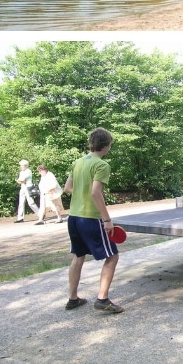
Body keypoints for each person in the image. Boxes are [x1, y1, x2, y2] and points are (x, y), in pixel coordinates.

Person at [64, 127, 123, 313]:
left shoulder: (78, 162)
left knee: (78, 256)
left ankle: (73, 299)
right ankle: (102, 299)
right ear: (106, 146)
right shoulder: (101, 165)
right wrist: (107, 220)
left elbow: (67, 188)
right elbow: (95, 192)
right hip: (91, 218)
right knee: (112, 256)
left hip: (73, 217)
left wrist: (81, 195)